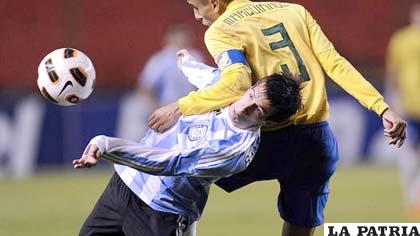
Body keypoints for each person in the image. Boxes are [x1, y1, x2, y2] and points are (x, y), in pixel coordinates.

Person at [147, 1, 408, 235]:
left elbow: (235, 84)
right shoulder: (295, 11)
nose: (195, 15)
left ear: (215, 4)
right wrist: (381, 107)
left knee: (187, 175)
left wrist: (181, 107)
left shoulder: (220, 30)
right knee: (301, 223)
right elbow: (334, 63)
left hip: (265, 139)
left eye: (196, 7)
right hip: (316, 140)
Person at [73, 73, 302, 236]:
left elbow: (170, 163)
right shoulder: (231, 89)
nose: (244, 106)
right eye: (251, 95)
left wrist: (106, 145)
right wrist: (187, 64)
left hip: (160, 213)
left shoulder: (234, 151)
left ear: (268, 121)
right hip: (123, 185)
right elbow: (210, 76)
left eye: (257, 110)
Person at [386, 2, 420, 219]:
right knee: (408, 155)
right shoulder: (401, 40)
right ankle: (412, 197)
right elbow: (393, 73)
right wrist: (393, 101)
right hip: (409, 107)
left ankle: (416, 199)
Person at [138, 23, 202, 108]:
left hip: (189, 107)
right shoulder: (160, 59)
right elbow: (145, 86)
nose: (181, 40)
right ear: (169, 38)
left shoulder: (195, 56)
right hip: (167, 105)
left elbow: (203, 84)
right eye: (178, 37)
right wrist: (155, 107)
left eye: (184, 36)